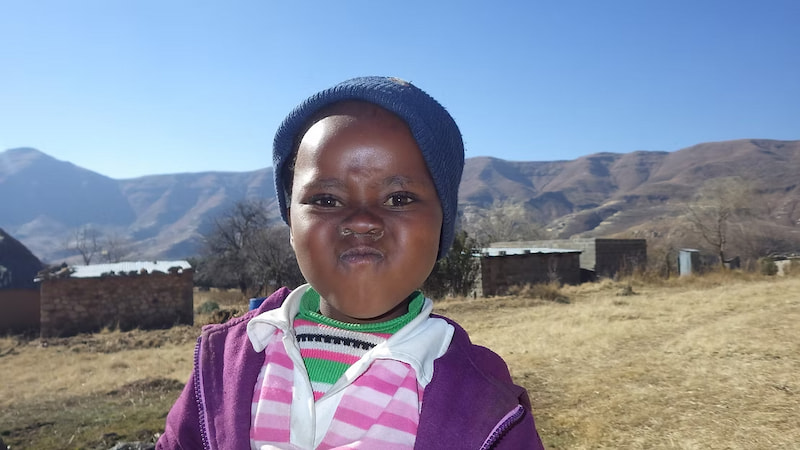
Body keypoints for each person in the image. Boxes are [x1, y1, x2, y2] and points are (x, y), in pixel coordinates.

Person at [158, 76, 544, 449]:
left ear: (443, 223)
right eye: (326, 200)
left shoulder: (485, 399)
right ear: (291, 222)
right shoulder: (224, 362)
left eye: (400, 198)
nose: (362, 220)